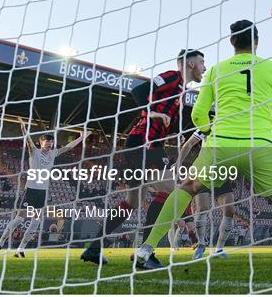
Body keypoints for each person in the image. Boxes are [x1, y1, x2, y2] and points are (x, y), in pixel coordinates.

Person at [134, 19, 272, 273]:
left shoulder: (216, 70)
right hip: (260, 147)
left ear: (232, 42)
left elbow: (198, 115)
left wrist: (211, 129)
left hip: (220, 145)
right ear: (256, 41)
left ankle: (146, 248)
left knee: (187, 187)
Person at [80, 49, 205, 265]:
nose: (204, 68)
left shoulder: (180, 92)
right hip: (144, 142)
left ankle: (94, 248)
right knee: (171, 189)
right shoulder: (172, 77)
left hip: (143, 143)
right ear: (191, 64)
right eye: (202, 62)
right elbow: (139, 91)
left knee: (132, 201)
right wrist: (152, 112)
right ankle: (145, 253)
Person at [0, 118, 86, 258]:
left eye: (51, 141)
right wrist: (23, 128)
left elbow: (68, 147)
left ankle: (20, 250)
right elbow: (28, 141)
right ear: (40, 143)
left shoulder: (53, 154)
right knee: (19, 219)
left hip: (42, 192)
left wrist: (81, 138)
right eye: (46, 141)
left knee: (36, 221)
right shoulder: (34, 152)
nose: (49, 143)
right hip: (31, 191)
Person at [174, 129, 236, 259]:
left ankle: (219, 249)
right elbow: (189, 143)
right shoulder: (208, 125)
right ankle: (201, 244)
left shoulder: (235, 128)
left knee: (230, 210)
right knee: (202, 208)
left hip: (221, 173)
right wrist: (179, 163)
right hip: (203, 171)